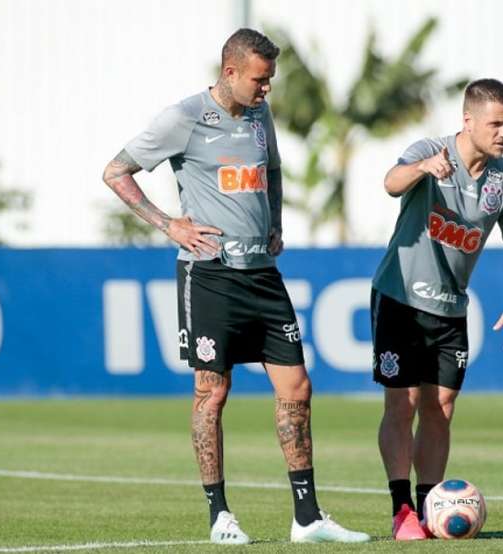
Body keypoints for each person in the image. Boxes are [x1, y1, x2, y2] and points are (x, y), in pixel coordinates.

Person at [101, 28, 369, 545]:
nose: (267, 89)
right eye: (260, 79)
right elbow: (116, 171)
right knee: (212, 392)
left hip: (262, 273)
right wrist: (169, 224)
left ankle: (307, 518)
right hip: (211, 274)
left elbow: (273, 169)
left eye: (269, 79)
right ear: (230, 72)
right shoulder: (183, 118)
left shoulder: (259, 115)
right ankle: (219, 515)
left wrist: (276, 224)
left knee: (298, 388)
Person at [370, 78, 503, 540]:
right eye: (496, 124)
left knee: (440, 407)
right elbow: (390, 182)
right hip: (400, 296)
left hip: (451, 307)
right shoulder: (432, 150)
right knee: (402, 404)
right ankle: (402, 509)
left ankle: (430, 506)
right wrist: (424, 167)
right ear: (468, 120)